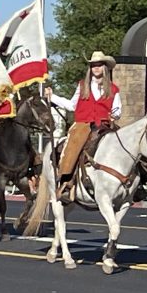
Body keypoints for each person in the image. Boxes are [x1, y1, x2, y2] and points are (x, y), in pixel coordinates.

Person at [45, 51, 121, 203]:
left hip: (104, 124)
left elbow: (118, 109)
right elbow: (72, 105)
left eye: (99, 65)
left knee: (124, 143)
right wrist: (52, 97)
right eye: (93, 65)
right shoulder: (82, 86)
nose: (96, 68)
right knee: (75, 144)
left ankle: (133, 182)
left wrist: (115, 114)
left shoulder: (113, 89)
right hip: (83, 123)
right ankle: (66, 182)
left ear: (105, 67)